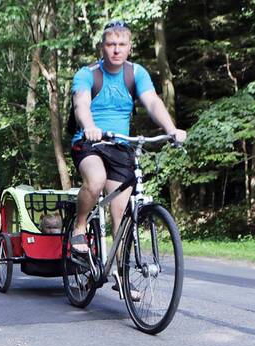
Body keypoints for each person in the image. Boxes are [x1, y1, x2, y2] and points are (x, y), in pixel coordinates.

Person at [69, 20, 186, 258]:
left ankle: (120, 274)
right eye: (111, 44)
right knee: (96, 180)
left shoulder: (136, 73)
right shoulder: (87, 74)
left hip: (120, 146)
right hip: (90, 143)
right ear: (102, 47)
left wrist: (171, 128)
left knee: (121, 213)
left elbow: (152, 102)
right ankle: (79, 227)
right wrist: (90, 126)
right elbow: (81, 103)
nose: (116, 49)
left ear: (129, 47)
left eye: (122, 44)